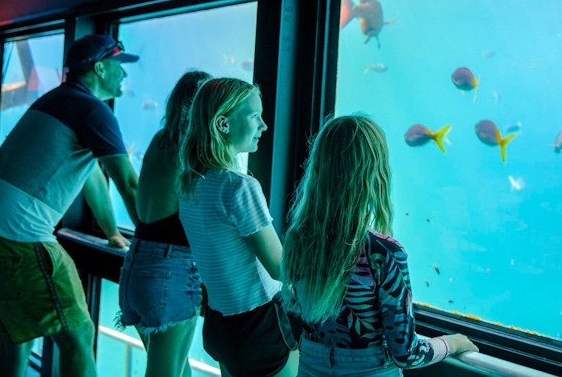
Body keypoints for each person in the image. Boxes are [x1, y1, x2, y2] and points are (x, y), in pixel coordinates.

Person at [281, 115, 479, 376]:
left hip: (310, 365)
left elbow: (297, 318)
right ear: (375, 174)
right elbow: (406, 354)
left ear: (319, 167)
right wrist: (453, 343)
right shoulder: (384, 253)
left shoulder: (299, 239)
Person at [0, 34, 140, 377]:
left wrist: (112, 234)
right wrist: (154, 242)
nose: (124, 75)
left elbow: (91, 180)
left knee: (16, 336)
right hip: (21, 236)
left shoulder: (56, 100)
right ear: (100, 67)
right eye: (119, 66)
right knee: (78, 336)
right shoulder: (93, 110)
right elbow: (130, 185)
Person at [177, 78, 298, 377]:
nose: (264, 125)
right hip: (260, 326)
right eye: (254, 115)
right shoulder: (239, 187)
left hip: (221, 325)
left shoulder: (189, 185)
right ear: (223, 124)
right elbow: (280, 269)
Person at [117, 70, 212, 377]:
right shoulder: (192, 149)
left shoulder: (160, 140)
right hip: (169, 275)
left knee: (175, 368)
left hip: (136, 268)